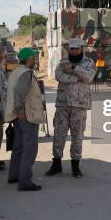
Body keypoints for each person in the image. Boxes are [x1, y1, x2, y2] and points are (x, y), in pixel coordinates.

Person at [46, 38, 96, 178]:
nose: (73, 51)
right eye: (71, 49)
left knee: (77, 136)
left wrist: (74, 69)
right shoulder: (63, 62)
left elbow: (88, 77)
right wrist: (75, 78)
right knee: (59, 134)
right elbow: (58, 76)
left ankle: (76, 166)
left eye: (76, 48)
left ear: (81, 48)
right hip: (63, 104)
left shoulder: (88, 63)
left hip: (79, 105)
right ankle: (56, 164)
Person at [5, 48, 46, 191]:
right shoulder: (25, 73)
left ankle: (14, 176)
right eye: (33, 57)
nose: (35, 60)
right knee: (29, 149)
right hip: (26, 116)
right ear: (28, 59)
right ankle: (25, 182)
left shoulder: (15, 72)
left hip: (18, 116)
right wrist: (21, 111)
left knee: (18, 147)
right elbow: (20, 94)